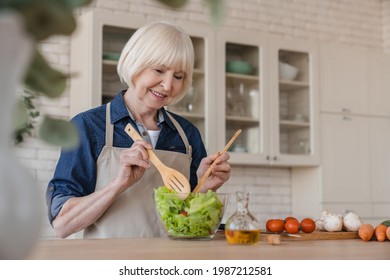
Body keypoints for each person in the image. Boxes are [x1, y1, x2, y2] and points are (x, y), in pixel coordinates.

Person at [46, 21, 231, 239]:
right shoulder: (87, 126)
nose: (168, 85)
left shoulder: (187, 134)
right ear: (135, 63)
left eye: (178, 76)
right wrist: (119, 184)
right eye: (159, 70)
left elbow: (186, 217)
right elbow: (62, 224)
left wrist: (203, 187)